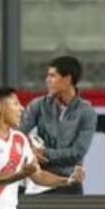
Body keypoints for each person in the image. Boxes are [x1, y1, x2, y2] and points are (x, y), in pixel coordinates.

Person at [20, 56, 97, 195]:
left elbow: (78, 152)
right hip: (40, 183)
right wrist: (30, 151)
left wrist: (44, 153)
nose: (47, 80)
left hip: (69, 183)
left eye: (52, 76)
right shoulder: (38, 105)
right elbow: (17, 134)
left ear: (67, 79)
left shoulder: (87, 112)